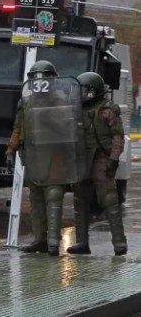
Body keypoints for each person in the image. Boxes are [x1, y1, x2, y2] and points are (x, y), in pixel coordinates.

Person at [5, 61, 69, 256]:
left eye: (44, 77)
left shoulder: (62, 100)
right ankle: (39, 239)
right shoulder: (26, 101)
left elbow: (68, 129)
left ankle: (52, 243)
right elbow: (18, 128)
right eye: (36, 77)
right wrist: (10, 150)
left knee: (53, 196)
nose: (40, 82)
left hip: (55, 155)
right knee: (36, 199)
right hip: (33, 155)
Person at [67, 71, 127, 255]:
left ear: (96, 91)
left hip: (101, 157)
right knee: (80, 200)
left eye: (87, 90)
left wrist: (113, 159)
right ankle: (82, 242)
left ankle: (119, 243)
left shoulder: (107, 109)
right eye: (81, 90)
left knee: (109, 199)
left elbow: (118, 137)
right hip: (81, 159)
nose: (83, 94)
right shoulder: (76, 109)